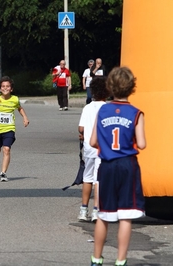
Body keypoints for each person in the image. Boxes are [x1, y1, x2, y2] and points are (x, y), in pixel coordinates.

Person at [89, 66, 146, 266]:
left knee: (103, 214)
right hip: (127, 164)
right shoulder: (136, 113)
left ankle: (96, 259)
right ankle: (120, 260)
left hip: (107, 164)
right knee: (125, 215)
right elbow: (141, 144)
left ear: (110, 86)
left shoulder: (102, 110)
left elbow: (93, 141)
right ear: (132, 87)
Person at [77, 76, 111, 222]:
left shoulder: (87, 107)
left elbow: (81, 128)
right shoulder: (108, 108)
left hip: (88, 148)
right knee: (99, 179)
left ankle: (83, 210)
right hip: (102, 148)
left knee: (87, 178)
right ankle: (97, 210)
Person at [0, 76, 29, 181]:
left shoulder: (15, 99)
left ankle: (3, 173)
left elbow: (20, 108)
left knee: (7, 149)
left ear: (11, 89)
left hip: (9, 129)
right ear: (0, 89)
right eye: (3, 86)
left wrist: (25, 118)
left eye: (8, 86)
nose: (5, 88)